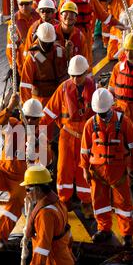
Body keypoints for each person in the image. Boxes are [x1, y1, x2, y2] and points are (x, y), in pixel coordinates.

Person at [0, 95, 50, 249]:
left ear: (39, 120)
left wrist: (37, 145)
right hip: (3, 171)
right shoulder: (12, 124)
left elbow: (47, 160)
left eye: (34, 119)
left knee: (16, 202)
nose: (31, 121)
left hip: (22, 179)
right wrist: (10, 107)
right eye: (28, 118)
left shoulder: (41, 136)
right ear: (21, 115)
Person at [80, 88, 133, 247]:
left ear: (111, 106)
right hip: (97, 172)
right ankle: (104, 229)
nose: (102, 115)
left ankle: (127, 233)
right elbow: (85, 150)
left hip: (118, 170)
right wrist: (85, 170)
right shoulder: (90, 124)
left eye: (104, 112)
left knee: (123, 204)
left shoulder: (124, 122)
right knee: (99, 202)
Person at [40, 55, 95, 218]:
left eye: (79, 76)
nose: (75, 79)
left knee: (84, 170)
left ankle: (86, 203)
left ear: (86, 73)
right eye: (72, 76)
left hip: (86, 137)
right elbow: (48, 112)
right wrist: (34, 128)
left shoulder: (95, 88)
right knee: (63, 170)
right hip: (67, 135)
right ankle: (64, 202)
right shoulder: (63, 89)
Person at [21, 165, 78, 265]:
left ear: (37, 189)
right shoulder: (58, 204)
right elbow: (67, 233)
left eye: (28, 189)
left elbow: (43, 244)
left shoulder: (45, 214)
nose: (27, 193)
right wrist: (69, 252)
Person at [58, 0, 125, 64]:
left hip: (74, 35)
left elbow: (58, 20)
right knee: (83, 61)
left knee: (74, 61)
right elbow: (103, 16)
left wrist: (118, 24)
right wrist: (118, 24)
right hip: (81, 36)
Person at [20, 22, 68, 107]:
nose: (47, 45)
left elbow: (67, 74)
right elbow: (25, 85)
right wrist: (26, 108)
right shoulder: (32, 58)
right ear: (38, 39)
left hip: (60, 99)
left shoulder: (61, 52)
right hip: (40, 102)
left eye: (49, 42)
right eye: (45, 42)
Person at [6, 0, 40, 77]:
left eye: (27, 4)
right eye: (21, 4)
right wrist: (12, 64)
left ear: (31, 3)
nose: (24, 7)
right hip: (22, 60)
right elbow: (10, 45)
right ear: (17, 4)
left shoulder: (38, 17)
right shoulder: (13, 21)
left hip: (38, 59)